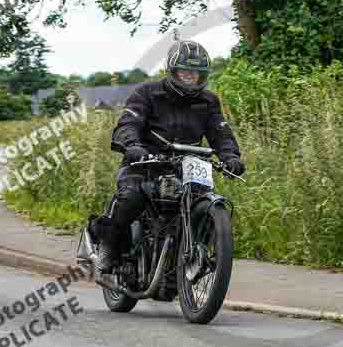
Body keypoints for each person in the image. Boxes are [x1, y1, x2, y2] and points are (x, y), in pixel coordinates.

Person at [90, 40, 245, 276]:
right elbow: (127, 124)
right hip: (145, 164)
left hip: (187, 168)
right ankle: (108, 245)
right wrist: (133, 146)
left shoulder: (209, 101)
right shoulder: (147, 93)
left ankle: (194, 253)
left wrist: (231, 156)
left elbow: (221, 134)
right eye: (185, 71)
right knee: (132, 197)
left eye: (196, 73)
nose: (190, 77)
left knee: (203, 202)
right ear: (172, 71)